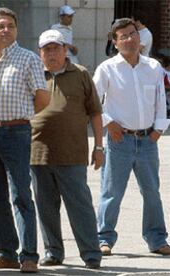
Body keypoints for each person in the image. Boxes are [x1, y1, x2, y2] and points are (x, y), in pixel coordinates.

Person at [0, 7, 50, 273]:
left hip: (17, 133)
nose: (6, 30)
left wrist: (22, 117)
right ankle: (5, 252)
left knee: (21, 194)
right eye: (1, 26)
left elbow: (42, 97)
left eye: (11, 26)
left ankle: (29, 254)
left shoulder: (27, 58)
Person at [93, 18, 170, 256]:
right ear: (115, 43)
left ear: (140, 37)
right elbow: (93, 102)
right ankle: (104, 238)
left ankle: (157, 239)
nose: (129, 39)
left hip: (148, 140)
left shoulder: (154, 67)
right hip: (119, 140)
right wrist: (109, 123)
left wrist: (159, 129)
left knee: (152, 192)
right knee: (112, 192)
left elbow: (160, 100)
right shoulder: (107, 68)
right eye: (123, 36)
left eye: (133, 33)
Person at [30, 29, 103, 270]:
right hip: (38, 153)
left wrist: (99, 146)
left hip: (73, 154)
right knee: (46, 208)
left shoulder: (80, 74)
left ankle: (91, 253)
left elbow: (95, 112)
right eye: (46, 49)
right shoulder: (33, 75)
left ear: (65, 50)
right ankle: (52, 252)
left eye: (55, 48)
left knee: (80, 206)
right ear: (40, 53)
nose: (51, 53)